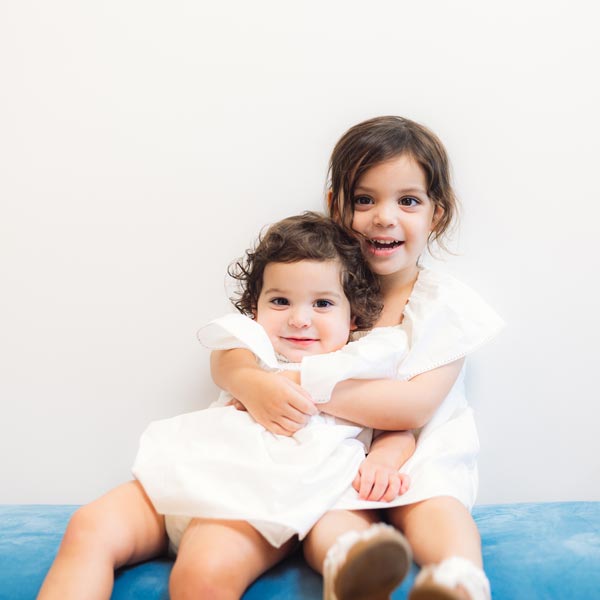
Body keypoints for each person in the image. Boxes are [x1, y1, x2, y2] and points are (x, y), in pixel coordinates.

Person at [37, 212, 415, 600]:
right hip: (184, 475)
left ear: (352, 317)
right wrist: (255, 385)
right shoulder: (253, 346)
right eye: (280, 301)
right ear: (255, 308)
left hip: (257, 497)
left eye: (322, 303)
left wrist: (384, 461)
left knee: (203, 574)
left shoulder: (358, 362)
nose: (299, 319)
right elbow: (228, 363)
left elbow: (396, 424)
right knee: (89, 526)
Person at [211, 116, 504, 600]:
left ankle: (458, 579)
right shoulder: (315, 288)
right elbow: (231, 352)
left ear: (437, 214)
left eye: (407, 201)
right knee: (328, 509)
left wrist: (298, 383)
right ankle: (351, 569)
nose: (383, 217)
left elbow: (413, 409)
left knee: (434, 500)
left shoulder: (445, 306)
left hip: (420, 448)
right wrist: (252, 382)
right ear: (336, 206)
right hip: (334, 454)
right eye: (364, 199)